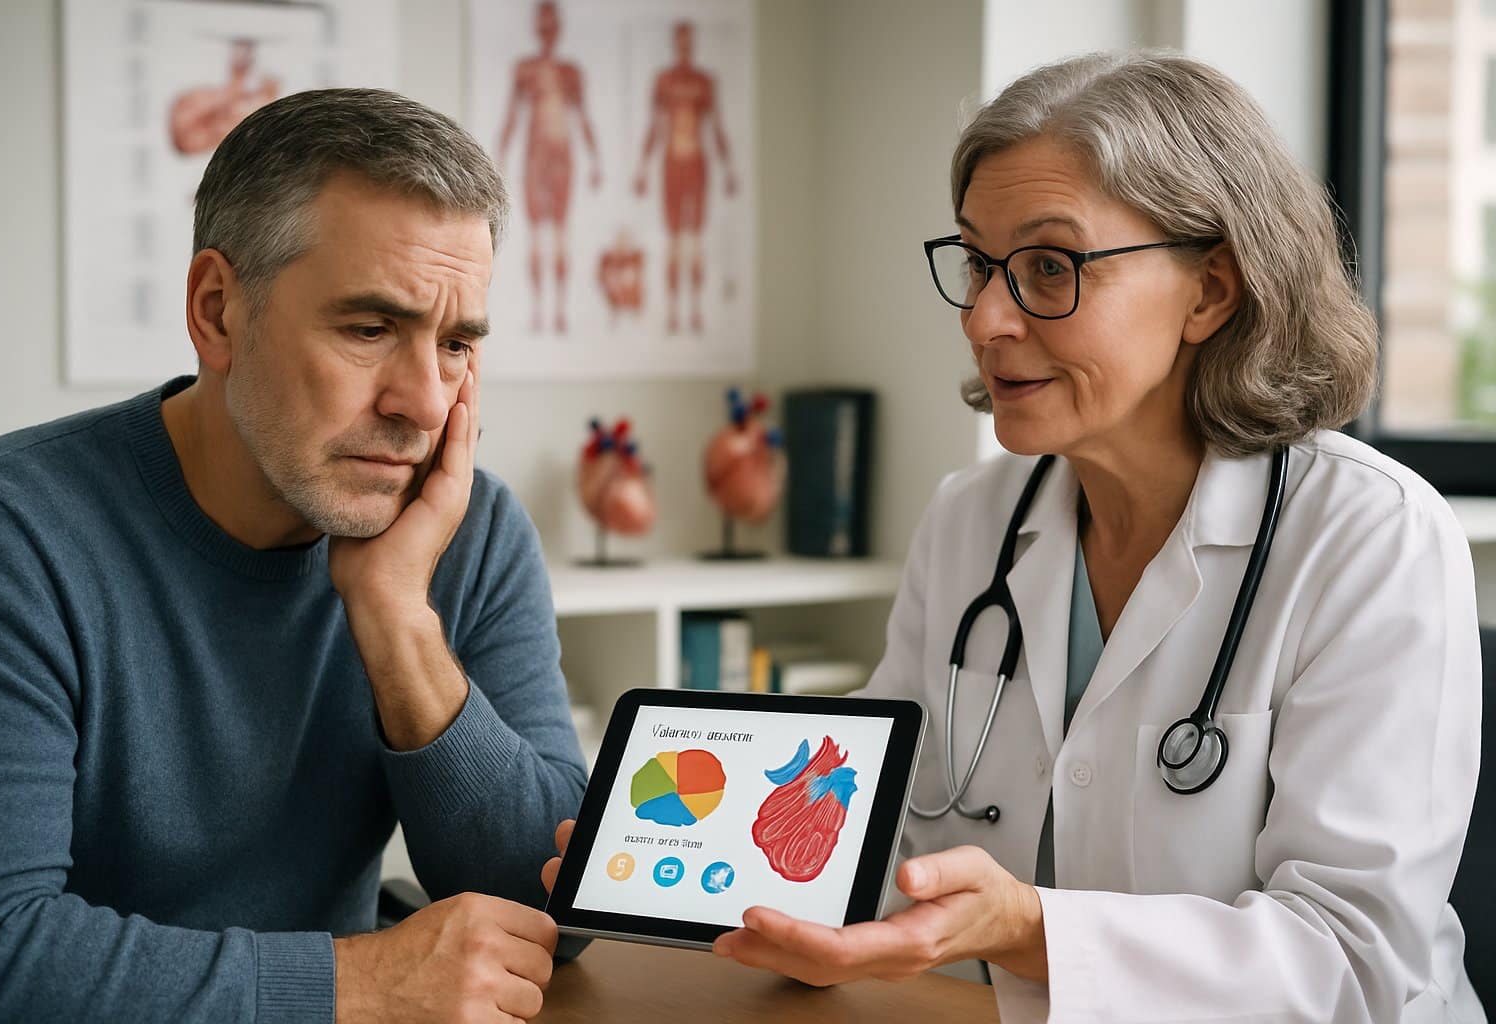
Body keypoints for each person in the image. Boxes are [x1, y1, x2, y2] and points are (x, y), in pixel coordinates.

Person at [546, 51, 1487, 1021]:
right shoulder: (975, 519)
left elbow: (1354, 960)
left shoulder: (1372, 539)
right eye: (979, 264)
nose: (987, 318)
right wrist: (687, 858)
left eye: (1049, 267)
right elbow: (880, 836)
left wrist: (1025, 927)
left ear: (1211, 291)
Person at [0, 88, 585, 1023]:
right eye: (370, 329)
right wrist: (363, 982)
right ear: (216, 310)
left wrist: (395, 619)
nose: (422, 401)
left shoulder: (469, 529)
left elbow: (556, 910)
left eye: (455, 343)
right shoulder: (5, 537)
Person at [497, 0, 603, 335]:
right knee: (536, 234)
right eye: (543, 22)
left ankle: (558, 310)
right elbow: (512, 117)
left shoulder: (571, 72)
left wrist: (595, 159)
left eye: (552, 22)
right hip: (535, 155)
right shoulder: (525, 69)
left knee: (559, 233)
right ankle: (538, 310)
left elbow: (583, 117)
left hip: (562, 156)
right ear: (536, 26)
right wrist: (496, 162)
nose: (547, 29)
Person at [633, 20, 738, 334]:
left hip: (696, 164)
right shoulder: (664, 80)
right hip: (671, 165)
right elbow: (655, 126)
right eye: (680, 41)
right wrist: (642, 168)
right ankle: (674, 312)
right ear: (674, 43)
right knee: (675, 243)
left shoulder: (704, 81)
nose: (684, 46)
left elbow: (716, 127)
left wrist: (728, 168)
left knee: (694, 242)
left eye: (688, 41)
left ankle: (694, 309)